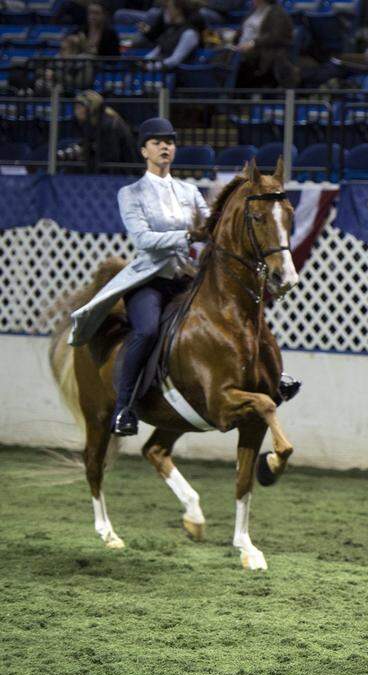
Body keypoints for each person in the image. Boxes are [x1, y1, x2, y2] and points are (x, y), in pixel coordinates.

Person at [68, 118, 210, 435]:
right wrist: (188, 236)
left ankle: (268, 378)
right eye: (157, 142)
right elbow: (144, 240)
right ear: (143, 150)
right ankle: (124, 409)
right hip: (150, 282)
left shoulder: (190, 191)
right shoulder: (130, 194)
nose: (165, 147)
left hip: (187, 279)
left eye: (170, 141)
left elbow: (211, 227)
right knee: (145, 331)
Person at [58, 90, 137, 174]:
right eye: (75, 107)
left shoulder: (108, 124)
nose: (76, 111)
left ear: (92, 108)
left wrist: (86, 154)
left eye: (80, 107)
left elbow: (111, 156)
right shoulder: (93, 122)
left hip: (122, 171)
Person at [233, 0, 297, 89]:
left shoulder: (277, 13)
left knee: (234, 62)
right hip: (241, 48)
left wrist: (253, 43)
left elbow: (275, 36)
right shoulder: (253, 11)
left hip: (261, 52)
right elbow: (241, 32)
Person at [144, 0, 204, 70]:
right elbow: (157, 51)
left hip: (176, 76)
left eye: (169, 8)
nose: (165, 12)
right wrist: (143, 61)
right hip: (160, 72)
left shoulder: (189, 34)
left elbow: (174, 61)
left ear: (178, 11)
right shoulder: (170, 29)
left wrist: (150, 67)